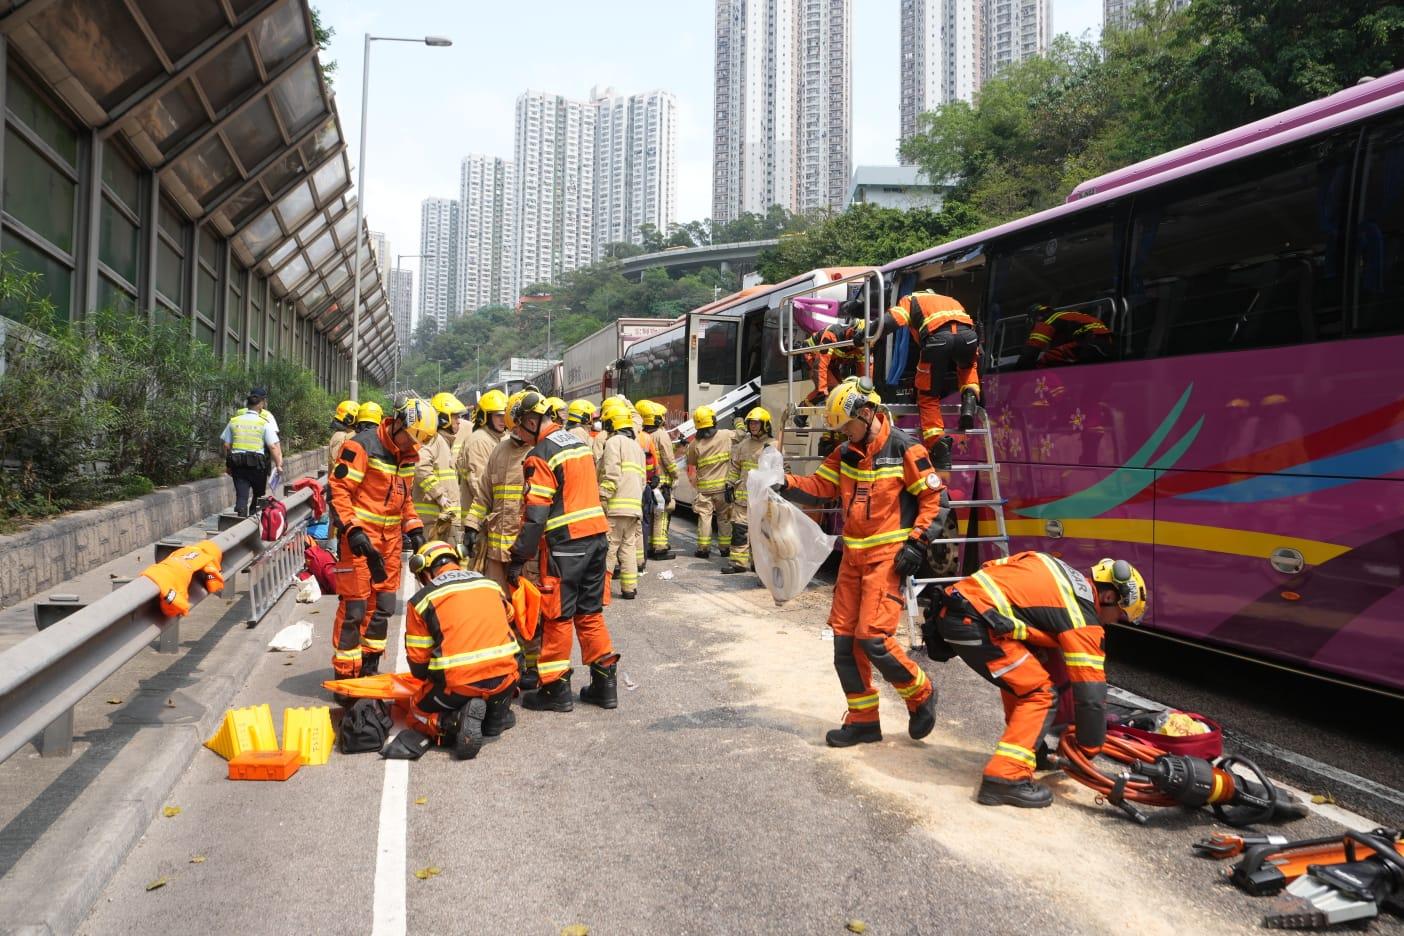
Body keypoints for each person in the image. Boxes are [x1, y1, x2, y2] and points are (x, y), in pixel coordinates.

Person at [776, 379, 941, 747]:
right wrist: (783, 483)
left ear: (867, 413)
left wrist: (917, 543)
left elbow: (934, 501)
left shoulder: (905, 448)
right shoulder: (846, 452)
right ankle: (864, 721)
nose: (843, 434)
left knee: (873, 638)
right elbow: (820, 487)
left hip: (887, 560)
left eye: (847, 426)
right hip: (853, 559)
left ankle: (921, 693)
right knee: (845, 643)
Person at [932, 553, 1146, 808]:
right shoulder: (1083, 619)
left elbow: (991, 567)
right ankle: (1004, 778)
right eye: (1119, 613)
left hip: (954, 608)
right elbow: (1091, 695)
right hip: (977, 623)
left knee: (1026, 681)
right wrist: (1088, 748)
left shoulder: (1053, 565)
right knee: (1040, 694)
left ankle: (1028, 750)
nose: (1115, 620)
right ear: (1109, 596)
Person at [507, 391, 618, 713]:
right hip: (597, 540)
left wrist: (518, 557)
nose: (518, 435)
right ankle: (605, 687)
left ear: (531, 421)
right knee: (590, 614)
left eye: (518, 428)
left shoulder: (540, 455)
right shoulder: (577, 443)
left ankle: (555, 690)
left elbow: (536, 515)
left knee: (557, 616)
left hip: (567, 546)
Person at [327, 398, 436, 679]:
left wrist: (415, 529)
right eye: (409, 437)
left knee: (383, 606)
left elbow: (404, 499)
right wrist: (352, 530)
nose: (411, 445)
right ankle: (345, 673)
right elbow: (338, 490)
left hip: (390, 543)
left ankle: (370, 663)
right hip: (359, 541)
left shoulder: (408, 455)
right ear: (397, 423)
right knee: (355, 608)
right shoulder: (361, 447)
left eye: (416, 441)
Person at [388, 540, 519, 760]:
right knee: (494, 684)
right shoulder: (490, 584)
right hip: (506, 679)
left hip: (459, 686)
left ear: (425, 572)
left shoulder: (422, 600)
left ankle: (451, 722)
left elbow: (419, 667)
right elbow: (510, 617)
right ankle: (494, 718)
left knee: (415, 710)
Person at [464, 389, 543, 689]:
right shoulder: (500, 451)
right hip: (497, 550)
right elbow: (485, 493)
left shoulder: (541, 452)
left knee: (529, 611)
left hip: (528, 552)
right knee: (498, 609)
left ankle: (533, 667)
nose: (519, 432)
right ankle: (508, 664)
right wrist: (472, 526)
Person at [856, 290, 981, 469]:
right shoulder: (950, 299)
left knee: (928, 396)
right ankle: (969, 402)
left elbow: (891, 321)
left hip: (937, 340)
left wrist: (864, 334)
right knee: (968, 368)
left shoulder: (911, 300)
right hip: (968, 339)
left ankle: (938, 447)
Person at [597, 400, 647, 599]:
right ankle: (629, 589)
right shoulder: (637, 447)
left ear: (612, 423)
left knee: (609, 549)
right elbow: (642, 480)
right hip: (634, 508)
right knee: (628, 548)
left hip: (615, 507)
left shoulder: (613, 442)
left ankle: (603, 592)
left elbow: (612, 474)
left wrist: (602, 496)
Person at [722, 406, 779, 575]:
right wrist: (729, 485)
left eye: (756, 423)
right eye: (751, 423)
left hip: (764, 498)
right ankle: (738, 562)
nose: (753, 426)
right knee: (740, 530)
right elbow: (735, 467)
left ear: (765, 425)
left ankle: (759, 563)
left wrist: (779, 487)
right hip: (743, 498)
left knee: (762, 533)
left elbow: (783, 469)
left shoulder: (774, 445)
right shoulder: (743, 445)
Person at [413, 392, 467, 544]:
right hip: (435, 522)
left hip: (444, 520)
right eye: (455, 417)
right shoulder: (434, 439)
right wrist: (439, 495)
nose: (459, 421)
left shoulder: (444, 442)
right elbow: (421, 467)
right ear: (444, 418)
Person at [221, 386, 283, 518]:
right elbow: (273, 446)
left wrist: (228, 465)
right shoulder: (265, 421)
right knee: (259, 493)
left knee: (242, 494)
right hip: (257, 464)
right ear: (261, 404)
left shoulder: (235, 419)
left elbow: (226, 445)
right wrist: (278, 464)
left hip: (237, 463)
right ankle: (254, 515)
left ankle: (241, 512)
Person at [685, 405, 734, 558]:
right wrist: (738, 420)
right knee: (724, 518)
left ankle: (703, 549)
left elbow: (691, 462)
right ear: (713, 420)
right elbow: (742, 435)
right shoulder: (726, 435)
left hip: (705, 490)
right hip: (723, 489)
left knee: (704, 518)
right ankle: (725, 548)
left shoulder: (695, 444)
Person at [457, 389, 508, 530]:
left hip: (489, 518)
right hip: (479, 523)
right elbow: (479, 485)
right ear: (485, 416)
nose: (503, 420)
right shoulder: (480, 441)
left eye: (505, 415)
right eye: (498, 416)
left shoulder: (496, 438)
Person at [1017, 304, 1115, 369]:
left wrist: (1017, 376)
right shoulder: (1068, 316)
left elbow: (1031, 351)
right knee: (1093, 385)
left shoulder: (1047, 320)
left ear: (1035, 318)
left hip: (1088, 343)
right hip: (1108, 344)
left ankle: (1058, 395)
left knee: (1043, 365)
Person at [637, 400, 676, 560]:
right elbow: (668, 458)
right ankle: (660, 547)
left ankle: (650, 544)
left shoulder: (643, 435)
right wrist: (676, 475)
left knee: (651, 514)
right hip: (662, 481)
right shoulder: (661, 434)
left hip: (649, 481)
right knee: (662, 513)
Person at [802, 326, 869, 406]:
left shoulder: (862, 346)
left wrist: (865, 391)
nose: (862, 351)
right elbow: (820, 365)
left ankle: (806, 407)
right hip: (812, 354)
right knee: (833, 389)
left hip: (831, 361)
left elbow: (863, 371)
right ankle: (805, 407)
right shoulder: (832, 335)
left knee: (841, 388)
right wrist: (823, 390)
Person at [328, 399, 358, 473]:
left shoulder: (344, 434)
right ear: (350, 419)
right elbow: (334, 462)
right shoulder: (341, 436)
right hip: (338, 479)